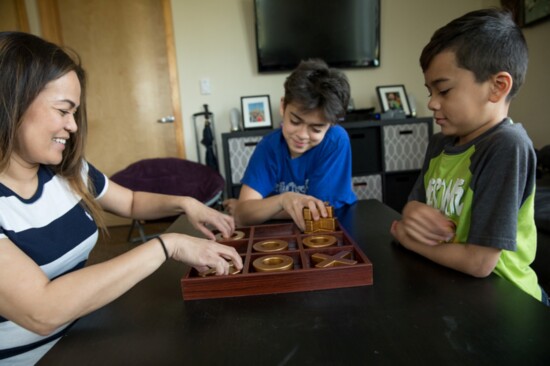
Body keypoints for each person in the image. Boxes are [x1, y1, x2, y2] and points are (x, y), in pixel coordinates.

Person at [0, 31, 243, 365]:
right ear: (12, 103)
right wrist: (166, 245)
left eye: (75, 112)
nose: (72, 126)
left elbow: (129, 202)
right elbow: (42, 311)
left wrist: (184, 202)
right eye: (62, 110)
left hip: (81, 337)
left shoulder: (68, 171)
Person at [390, 8, 549, 306]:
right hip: (451, 285)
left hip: (507, 300)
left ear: (497, 86)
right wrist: (411, 212)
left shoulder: (507, 146)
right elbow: (414, 204)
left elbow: (479, 263)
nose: (432, 103)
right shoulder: (440, 143)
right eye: (430, 90)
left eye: (444, 90)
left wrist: (408, 239)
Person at [225, 59, 357, 231]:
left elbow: (318, 212)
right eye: (295, 121)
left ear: (331, 124)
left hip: (333, 227)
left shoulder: (336, 140)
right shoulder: (270, 146)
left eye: (316, 129)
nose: (302, 135)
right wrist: (283, 199)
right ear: (283, 107)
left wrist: (261, 208)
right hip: (280, 233)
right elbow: (243, 214)